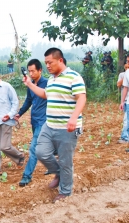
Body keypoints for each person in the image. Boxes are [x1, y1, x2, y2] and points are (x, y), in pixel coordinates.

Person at [22, 47, 86, 203]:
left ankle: (65, 191)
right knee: (40, 152)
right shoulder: (51, 79)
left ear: (60, 60)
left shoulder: (74, 77)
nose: (48, 66)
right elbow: (45, 94)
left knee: (65, 160)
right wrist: (30, 85)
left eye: (50, 62)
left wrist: (73, 117)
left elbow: (82, 98)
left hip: (67, 128)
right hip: (49, 125)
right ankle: (58, 172)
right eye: (46, 63)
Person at [0, 66, 24, 176]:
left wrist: (10, 115)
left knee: (4, 146)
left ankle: (20, 157)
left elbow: (15, 102)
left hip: (5, 121)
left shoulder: (7, 87)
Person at [14, 59, 48, 187]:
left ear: (40, 70)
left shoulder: (47, 84)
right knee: (43, 147)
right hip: (34, 121)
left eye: (33, 71)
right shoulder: (31, 84)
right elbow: (28, 101)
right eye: (29, 71)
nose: (31, 73)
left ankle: (26, 176)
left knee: (34, 148)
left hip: (43, 121)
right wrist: (19, 113)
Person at [116, 63, 129, 144]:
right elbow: (118, 84)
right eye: (125, 67)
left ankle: (126, 137)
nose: (127, 69)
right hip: (125, 101)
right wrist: (126, 76)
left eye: (128, 67)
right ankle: (127, 136)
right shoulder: (122, 75)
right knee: (127, 119)